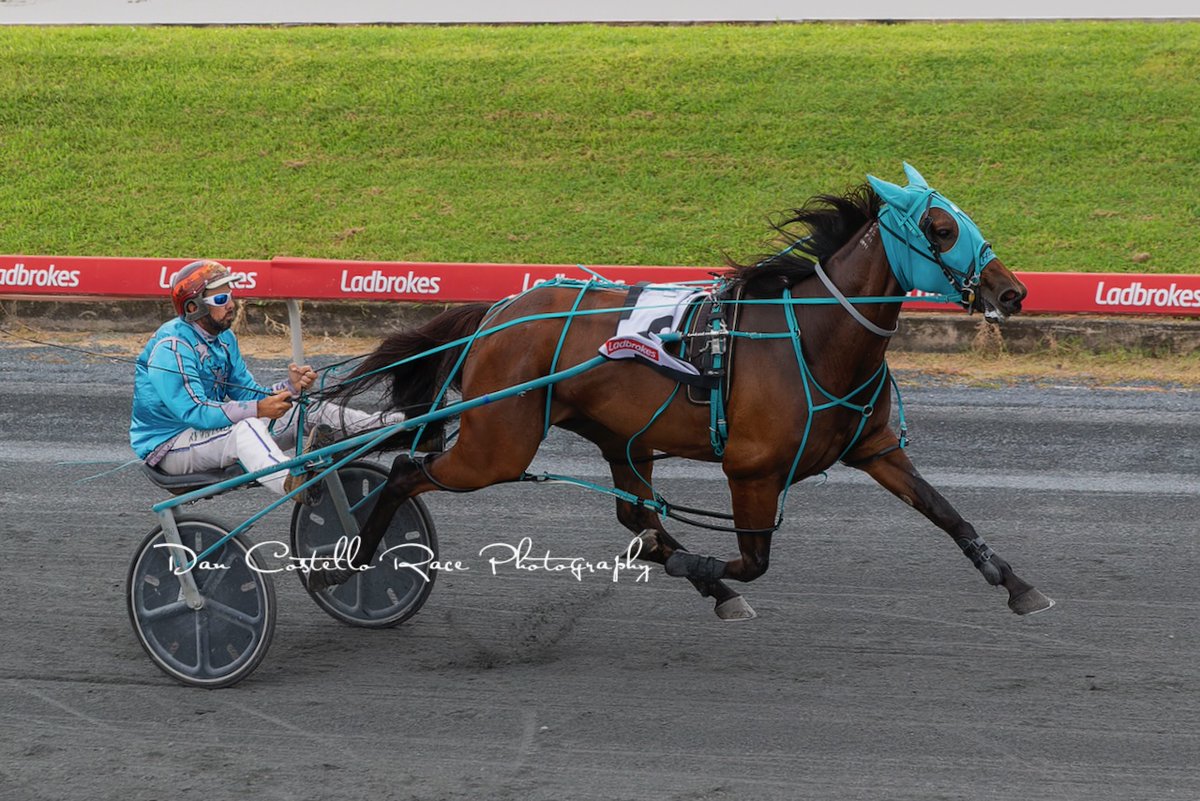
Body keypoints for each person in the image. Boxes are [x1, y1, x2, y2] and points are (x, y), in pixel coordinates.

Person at [130, 259, 403, 501]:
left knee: (304, 408)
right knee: (246, 428)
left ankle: (391, 428)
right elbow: (196, 412)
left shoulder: (224, 339)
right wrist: (260, 410)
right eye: (221, 298)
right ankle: (291, 482)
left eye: (230, 295)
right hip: (169, 447)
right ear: (193, 307)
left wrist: (289, 388)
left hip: (203, 435)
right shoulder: (172, 347)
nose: (231, 304)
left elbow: (249, 394)